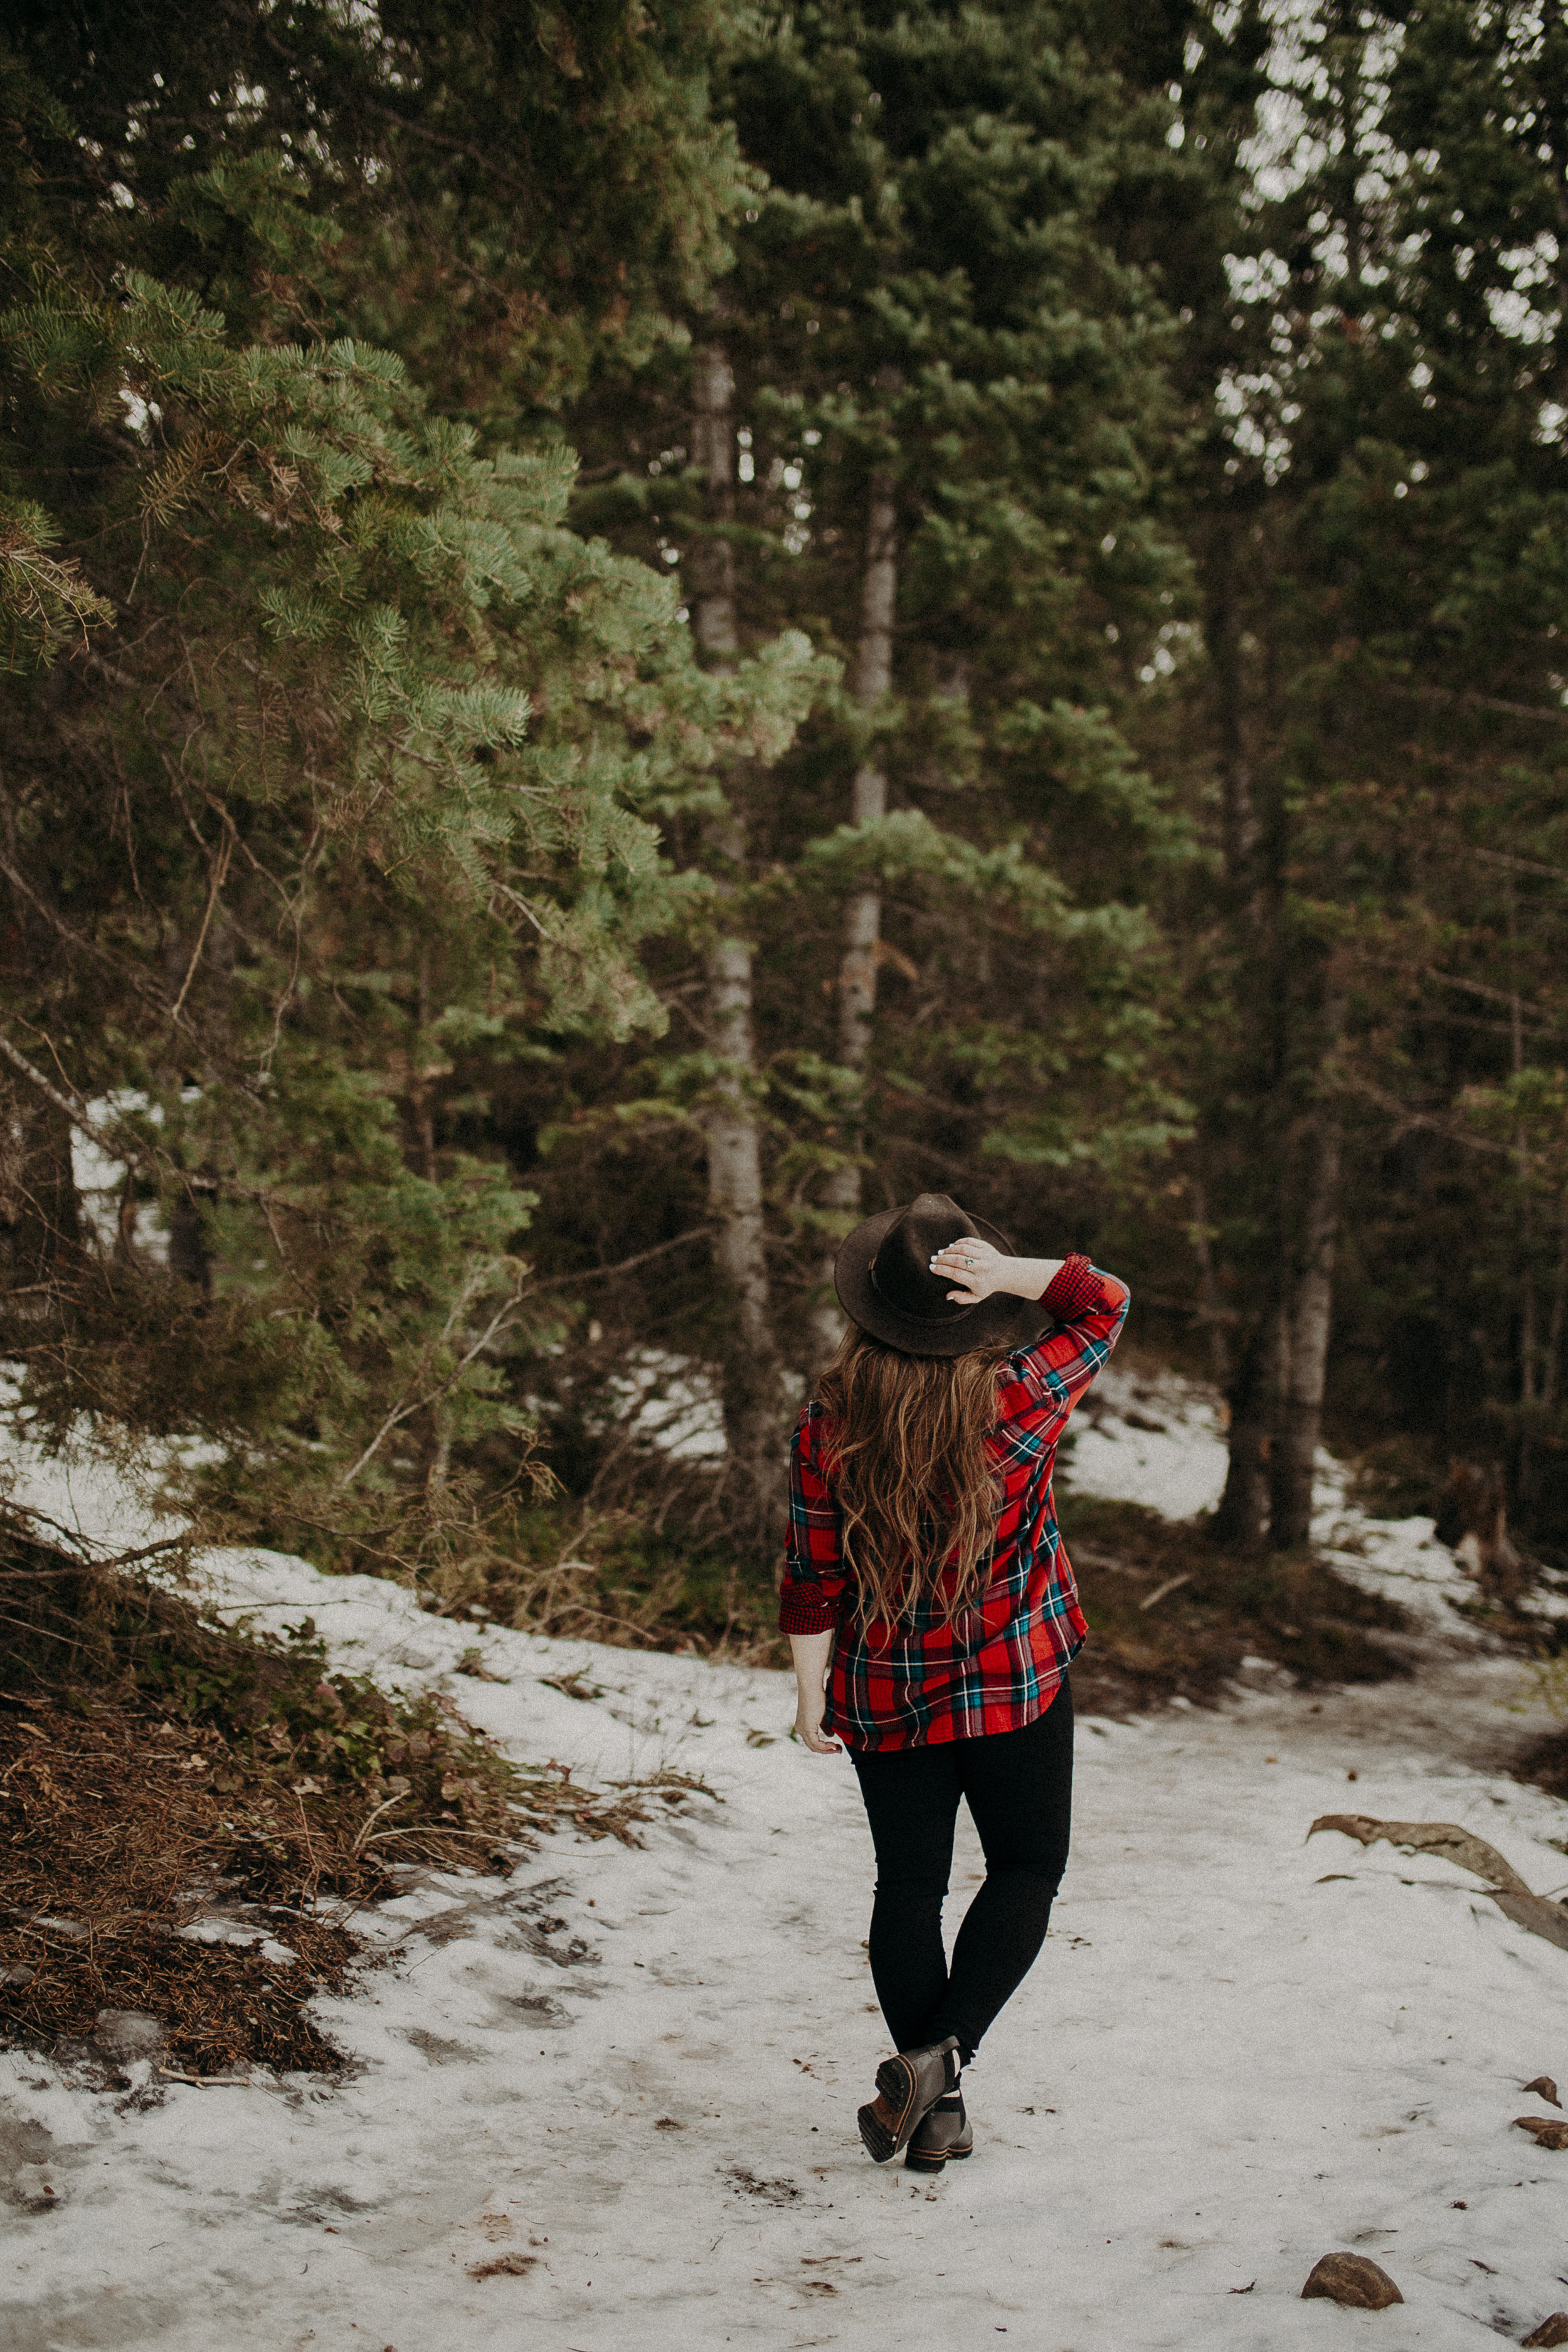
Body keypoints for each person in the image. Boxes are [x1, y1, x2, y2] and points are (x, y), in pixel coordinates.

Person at [780, 1191, 1128, 2172]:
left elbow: (811, 1574)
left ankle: (933, 2106)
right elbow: (1106, 1301)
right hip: (1017, 1674)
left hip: (887, 1687)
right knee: (1026, 1868)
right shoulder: (1020, 1393)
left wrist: (811, 1690)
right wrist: (1012, 1272)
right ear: (970, 1308)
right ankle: (941, 2065)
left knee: (909, 1885)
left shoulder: (829, 1421)